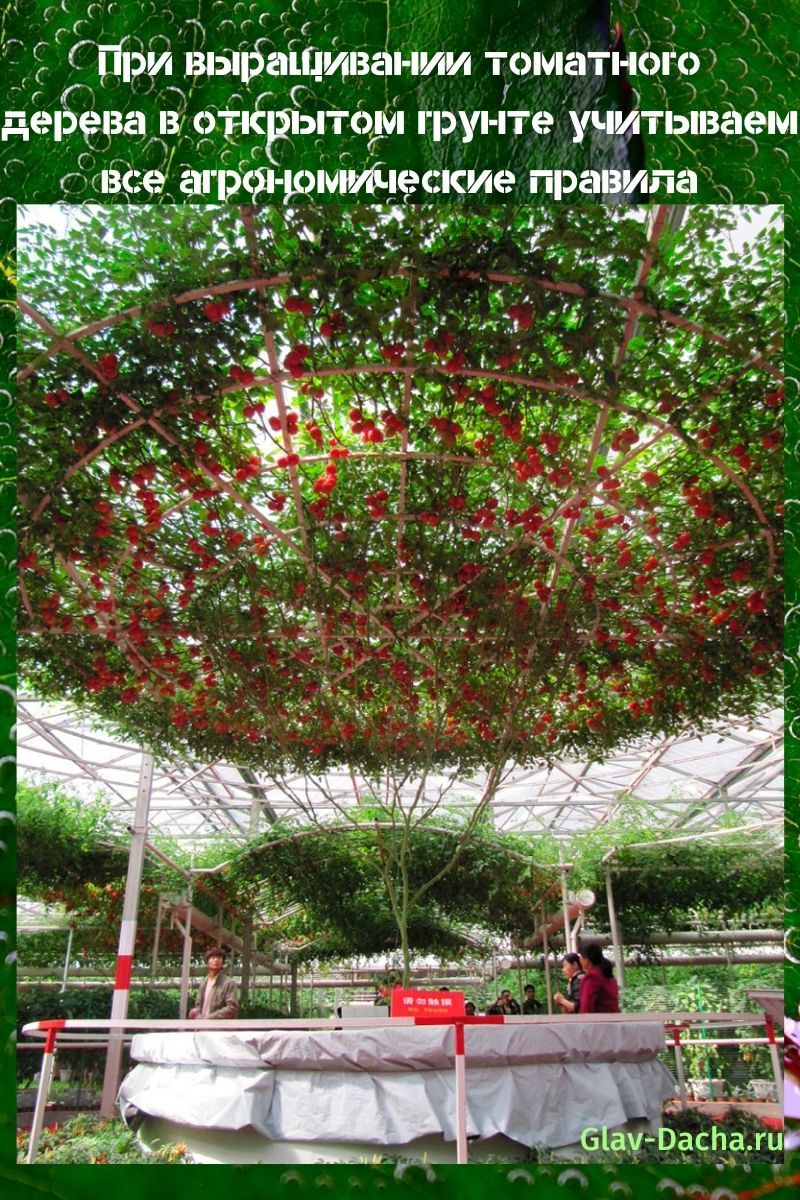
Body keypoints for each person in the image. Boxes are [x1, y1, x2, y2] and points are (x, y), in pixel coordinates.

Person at [189, 947, 238, 1019]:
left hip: (219, 1028)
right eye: (213, 957)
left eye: (219, 957)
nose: (216, 960)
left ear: (223, 962)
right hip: (202, 1027)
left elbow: (232, 1008)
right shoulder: (203, 983)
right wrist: (195, 1013)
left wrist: (210, 1018)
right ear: (207, 962)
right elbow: (198, 1006)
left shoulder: (229, 983)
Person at [576, 943, 620, 1013]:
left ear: (587, 959)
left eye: (580, 957)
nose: (580, 960)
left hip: (600, 1021)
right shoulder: (605, 974)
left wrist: (582, 1022)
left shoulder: (592, 977)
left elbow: (587, 1006)